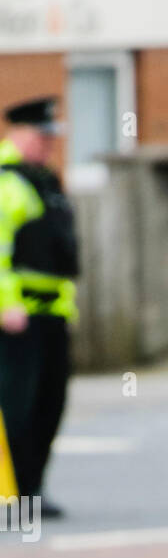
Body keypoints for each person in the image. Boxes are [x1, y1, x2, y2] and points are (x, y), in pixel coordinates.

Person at [0, 97, 79, 518]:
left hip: (53, 314)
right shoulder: (5, 182)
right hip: (17, 319)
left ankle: (32, 489)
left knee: (50, 404)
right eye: (42, 136)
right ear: (18, 132)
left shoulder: (43, 180)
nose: (48, 144)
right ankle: (18, 494)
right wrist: (7, 306)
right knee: (18, 407)